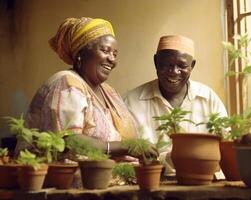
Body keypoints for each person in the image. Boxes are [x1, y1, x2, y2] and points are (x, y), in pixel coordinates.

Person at [24, 17, 156, 161]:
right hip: (69, 178)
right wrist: (126, 146)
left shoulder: (109, 92)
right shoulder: (67, 83)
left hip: (109, 176)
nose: (112, 59)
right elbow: (68, 141)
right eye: (105, 50)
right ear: (80, 54)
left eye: (115, 54)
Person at [124, 35, 228, 175]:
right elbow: (126, 154)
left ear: (192, 66)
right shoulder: (132, 101)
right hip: (154, 185)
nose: (174, 72)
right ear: (156, 62)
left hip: (205, 182)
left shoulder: (208, 98)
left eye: (182, 66)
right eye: (167, 64)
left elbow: (227, 143)